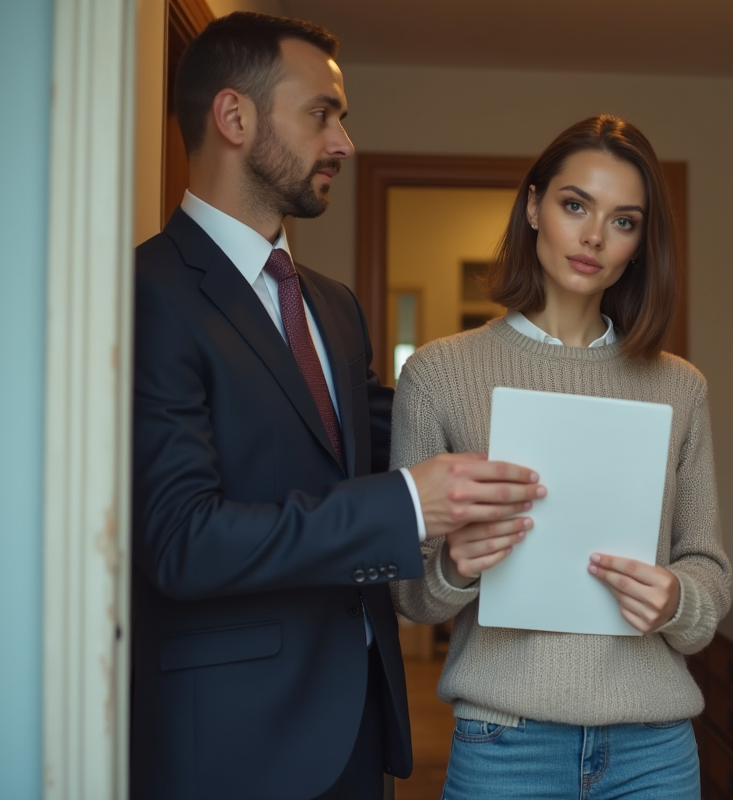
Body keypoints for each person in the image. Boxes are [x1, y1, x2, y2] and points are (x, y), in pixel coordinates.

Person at [131, 13, 543, 800]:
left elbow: (401, 435)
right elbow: (182, 538)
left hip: (358, 726)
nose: (345, 142)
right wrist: (406, 503)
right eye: (322, 113)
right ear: (234, 117)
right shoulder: (148, 294)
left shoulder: (335, 306)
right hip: (229, 744)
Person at [389, 115, 732, 799]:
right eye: (575, 205)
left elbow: (708, 571)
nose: (595, 237)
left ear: (639, 246)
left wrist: (675, 601)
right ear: (533, 208)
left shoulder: (679, 387)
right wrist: (457, 564)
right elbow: (411, 596)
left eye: (624, 221)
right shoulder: (438, 373)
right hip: (504, 744)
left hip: (655, 749)